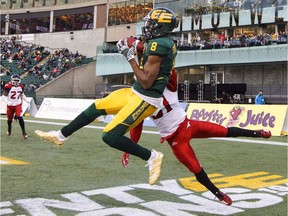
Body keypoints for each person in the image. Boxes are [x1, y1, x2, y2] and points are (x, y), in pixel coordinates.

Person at [34, 7, 179, 185]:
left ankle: (152, 157)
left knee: (109, 135)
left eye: (151, 23)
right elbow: (144, 60)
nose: (147, 26)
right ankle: (60, 136)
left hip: (146, 99)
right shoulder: (158, 42)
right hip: (135, 93)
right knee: (97, 107)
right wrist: (133, 47)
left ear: (160, 27)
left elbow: (146, 81)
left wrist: (130, 56)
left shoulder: (160, 45)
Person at [121, 69, 271, 206]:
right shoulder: (140, 100)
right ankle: (218, 193)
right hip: (175, 140)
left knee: (224, 131)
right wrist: (129, 149)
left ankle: (257, 132)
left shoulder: (166, 85)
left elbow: (170, 71)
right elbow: (137, 126)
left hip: (188, 125)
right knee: (195, 168)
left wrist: (159, 62)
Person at [1, 74, 29, 139]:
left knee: (19, 116)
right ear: (11, 80)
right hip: (10, 105)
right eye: (15, 80)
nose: (16, 82)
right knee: (9, 120)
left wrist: (27, 101)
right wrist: (7, 102)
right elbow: (3, 97)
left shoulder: (21, 86)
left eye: (17, 80)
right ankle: (9, 127)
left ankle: (24, 132)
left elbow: (22, 95)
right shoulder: (8, 86)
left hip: (17, 104)